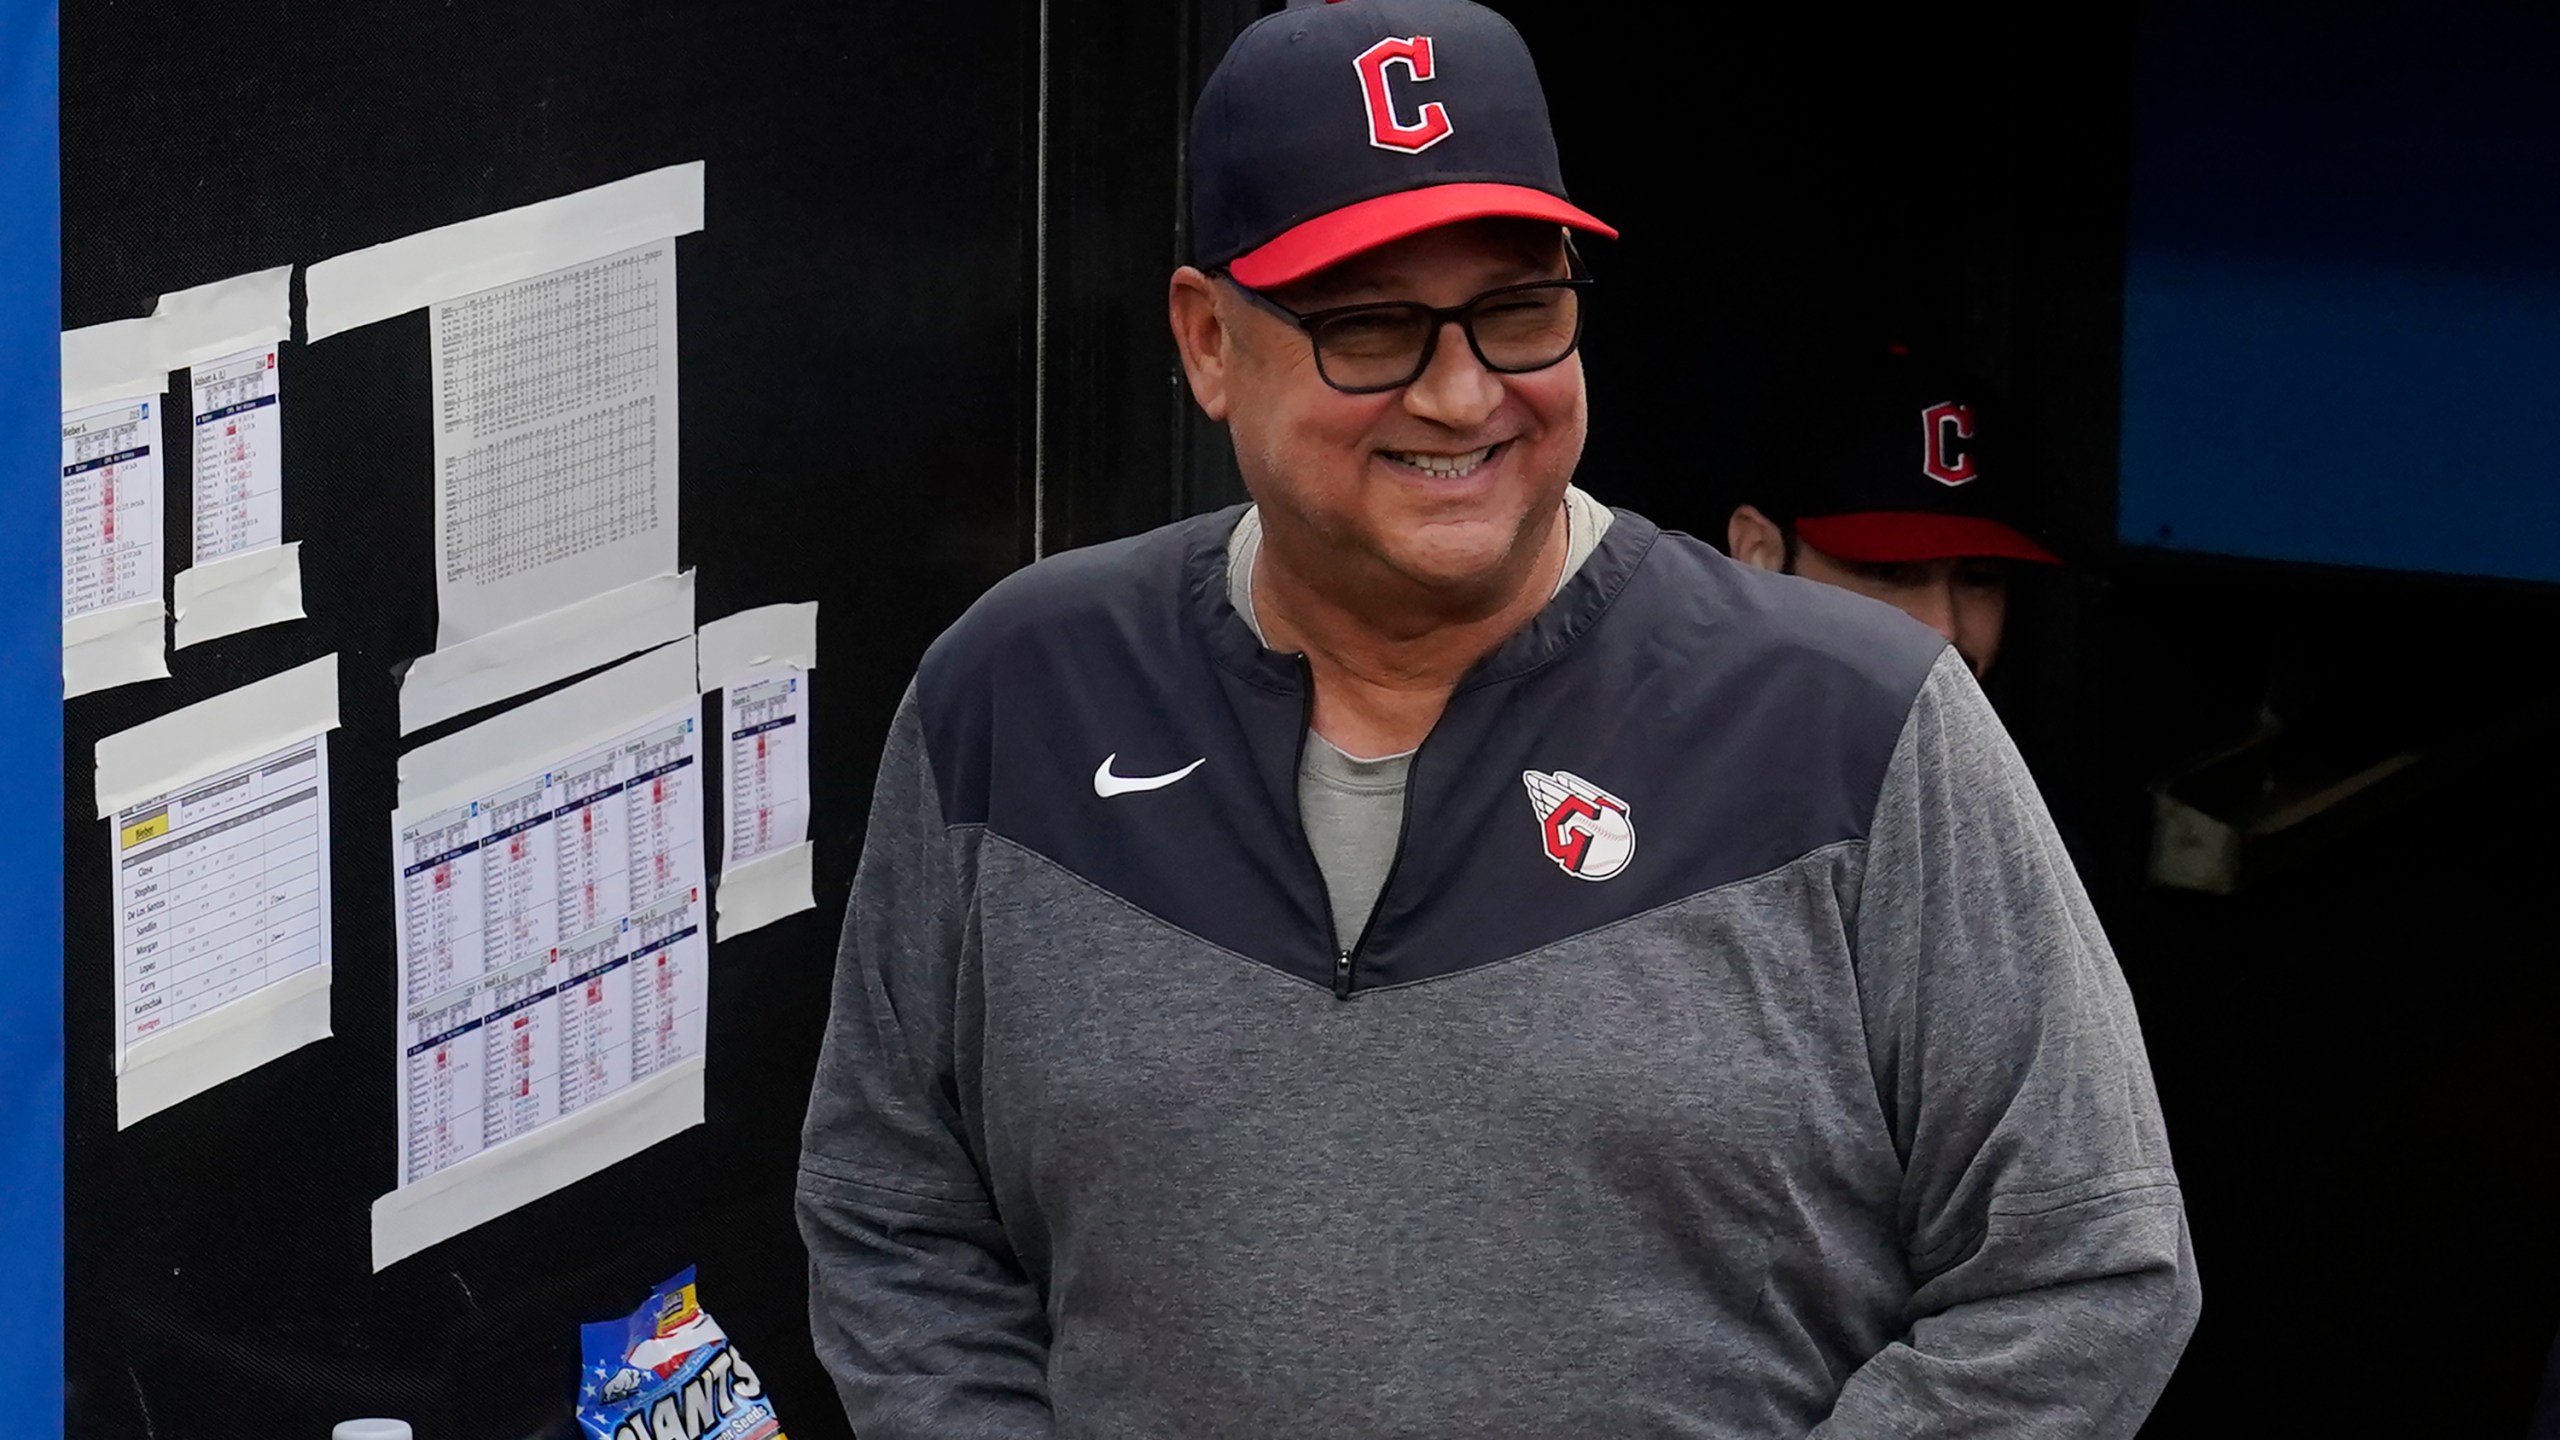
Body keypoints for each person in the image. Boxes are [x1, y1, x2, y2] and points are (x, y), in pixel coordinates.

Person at [797, 2, 2199, 1435]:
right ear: (1209, 341)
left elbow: (2086, 1267)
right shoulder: (1016, 692)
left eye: (1518, 310)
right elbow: (894, 1209)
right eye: (1372, 327)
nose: (1463, 393)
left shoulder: (1860, 721)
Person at [1724, 351, 2059, 678]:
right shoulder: (1683, 727)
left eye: (1978, 578)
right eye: (1888, 572)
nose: (1944, 627)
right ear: (1759, 555)